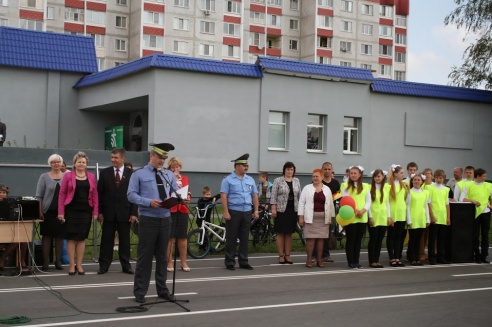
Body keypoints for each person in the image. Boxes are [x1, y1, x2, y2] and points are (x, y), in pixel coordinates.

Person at [127, 143, 178, 303]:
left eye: (164, 158)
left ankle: (162, 289)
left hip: (165, 218)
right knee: (145, 257)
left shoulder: (168, 175)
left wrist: (180, 198)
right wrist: (148, 202)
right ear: (152, 155)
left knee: (163, 257)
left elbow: (174, 192)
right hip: (148, 219)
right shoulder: (139, 174)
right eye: (159, 157)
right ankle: (140, 291)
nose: (162, 160)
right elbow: (131, 195)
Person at [97, 148, 138, 275]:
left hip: (125, 212)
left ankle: (126, 265)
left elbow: (135, 194)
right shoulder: (104, 173)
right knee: (106, 240)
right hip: (108, 213)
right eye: (112, 157)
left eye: (116, 157)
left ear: (122, 158)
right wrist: (100, 211)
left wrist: (133, 213)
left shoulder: (132, 174)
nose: (113, 160)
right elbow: (99, 194)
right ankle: (104, 265)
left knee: (125, 241)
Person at [58, 152, 98, 276]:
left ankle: (79, 265)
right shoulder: (68, 176)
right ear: (74, 163)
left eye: (84, 162)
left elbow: (95, 195)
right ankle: (71, 265)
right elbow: (62, 193)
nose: (81, 164)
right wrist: (61, 212)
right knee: (71, 239)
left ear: (86, 165)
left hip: (86, 211)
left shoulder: (91, 176)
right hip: (71, 210)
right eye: (79, 162)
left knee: (81, 238)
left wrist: (95, 212)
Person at [220, 153, 259, 271]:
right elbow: (223, 196)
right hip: (234, 211)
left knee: (244, 237)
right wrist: (226, 212)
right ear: (236, 166)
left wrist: (256, 210)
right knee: (231, 237)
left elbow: (255, 196)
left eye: (247, 165)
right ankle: (230, 262)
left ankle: (243, 261)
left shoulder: (250, 179)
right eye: (243, 165)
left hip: (247, 211)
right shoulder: (228, 180)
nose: (246, 167)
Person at [298, 169, 335, 268]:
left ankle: (319, 259)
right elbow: (301, 202)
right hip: (310, 217)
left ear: (322, 177)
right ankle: (309, 259)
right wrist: (301, 216)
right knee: (310, 240)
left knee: (321, 240)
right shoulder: (307, 188)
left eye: (317, 176)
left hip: (323, 219)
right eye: (313, 176)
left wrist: (331, 217)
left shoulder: (327, 189)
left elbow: (331, 204)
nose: (314, 178)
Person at [35, 154, 65, 271]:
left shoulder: (66, 176)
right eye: (53, 162)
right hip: (47, 211)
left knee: (59, 236)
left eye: (58, 162)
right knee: (46, 236)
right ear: (50, 164)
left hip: (61, 212)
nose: (56, 164)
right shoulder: (44, 177)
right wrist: (40, 210)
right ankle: (45, 262)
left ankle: (58, 261)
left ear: (61, 163)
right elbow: (39, 195)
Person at [270, 161, 301, 265]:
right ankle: (281, 255)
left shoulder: (296, 180)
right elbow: (273, 196)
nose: (289, 171)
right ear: (284, 170)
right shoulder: (278, 180)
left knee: (289, 233)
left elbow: (299, 196)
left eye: (291, 169)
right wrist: (273, 208)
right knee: (280, 233)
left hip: (293, 210)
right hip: (281, 210)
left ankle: (288, 255)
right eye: (288, 169)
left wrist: (300, 210)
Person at [460, 168, 492, 264]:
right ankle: (476, 255)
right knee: (475, 235)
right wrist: (472, 200)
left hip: (486, 213)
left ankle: (484, 256)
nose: (485, 178)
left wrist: (490, 205)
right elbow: (462, 199)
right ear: (478, 176)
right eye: (484, 176)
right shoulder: (468, 185)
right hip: (474, 213)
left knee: (485, 235)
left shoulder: (489, 185)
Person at [342, 166, 371, 269]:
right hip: (351, 216)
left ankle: (357, 261)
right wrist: (356, 210)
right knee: (351, 240)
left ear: (360, 175)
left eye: (355, 173)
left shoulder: (366, 186)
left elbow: (368, 201)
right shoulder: (345, 186)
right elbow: (346, 200)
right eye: (351, 173)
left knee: (358, 240)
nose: (353, 175)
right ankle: (351, 261)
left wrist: (363, 211)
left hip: (362, 217)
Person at [166, 157, 192, 272]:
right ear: (170, 169)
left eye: (177, 167)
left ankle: (183, 261)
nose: (176, 169)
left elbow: (188, 192)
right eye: (173, 167)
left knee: (182, 237)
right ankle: (169, 262)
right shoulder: (167, 178)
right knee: (170, 237)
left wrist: (188, 199)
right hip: (171, 209)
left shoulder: (185, 179)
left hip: (182, 209)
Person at [0, 184, 29, 272]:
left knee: (23, 239)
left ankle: (21, 262)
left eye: (4, 192)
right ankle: (2, 260)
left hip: (8, 231)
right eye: (0, 192)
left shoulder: (10, 204)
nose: (2, 194)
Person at [386, 164, 409, 267]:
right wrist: (389, 216)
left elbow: (406, 200)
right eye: (401, 173)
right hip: (393, 214)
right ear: (395, 174)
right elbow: (387, 201)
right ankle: (392, 257)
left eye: (403, 173)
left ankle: (397, 257)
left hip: (401, 214)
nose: (403, 175)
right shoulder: (389, 185)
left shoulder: (404, 185)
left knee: (399, 237)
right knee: (391, 236)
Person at [406, 173, 430, 266]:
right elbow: (408, 206)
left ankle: (417, 257)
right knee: (412, 239)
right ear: (412, 181)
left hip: (421, 218)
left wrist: (427, 219)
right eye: (415, 179)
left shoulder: (425, 193)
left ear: (422, 182)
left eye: (418, 180)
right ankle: (412, 258)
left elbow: (426, 206)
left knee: (419, 239)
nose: (416, 181)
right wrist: (409, 220)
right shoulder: (410, 192)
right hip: (413, 218)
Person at [367, 169, 390, 268]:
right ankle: (372, 260)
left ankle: (377, 260)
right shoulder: (369, 188)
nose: (377, 178)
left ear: (383, 177)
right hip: (374, 216)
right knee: (373, 239)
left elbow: (387, 203)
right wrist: (370, 216)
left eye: (379, 176)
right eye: (376, 176)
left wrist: (389, 216)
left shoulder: (386, 188)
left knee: (380, 240)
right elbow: (368, 203)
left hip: (383, 216)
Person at [428, 169, 451, 265]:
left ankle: (440, 256)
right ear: (434, 177)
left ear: (444, 178)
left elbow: (447, 204)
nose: (439, 179)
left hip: (443, 216)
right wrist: (431, 216)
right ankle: (432, 257)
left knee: (441, 239)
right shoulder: (430, 188)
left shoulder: (446, 189)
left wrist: (448, 217)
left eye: (441, 178)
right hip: (435, 216)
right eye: (437, 177)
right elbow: (428, 203)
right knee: (432, 238)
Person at [319, 162, 340, 263]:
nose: (327, 171)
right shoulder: (318, 181)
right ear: (322, 170)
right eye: (325, 169)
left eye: (329, 169)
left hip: (331, 212)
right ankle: (316, 255)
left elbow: (339, 196)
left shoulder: (336, 183)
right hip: (319, 211)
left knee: (328, 233)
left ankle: (326, 254)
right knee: (318, 234)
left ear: (332, 170)